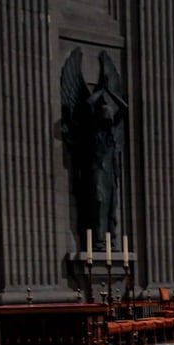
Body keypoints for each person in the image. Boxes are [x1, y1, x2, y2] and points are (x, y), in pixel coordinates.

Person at [60, 48, 127, 250]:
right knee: (97, 203)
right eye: (104, 116)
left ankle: (108, 241)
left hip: (110, 176)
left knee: (110, 209)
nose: (107, 120)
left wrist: (109, 92)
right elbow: (88, 104)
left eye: (109, 118)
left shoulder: (111, 138)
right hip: (95, 173)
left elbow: (124, 109)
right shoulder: (91, 135)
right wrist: (101, 92)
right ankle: (97, 242)